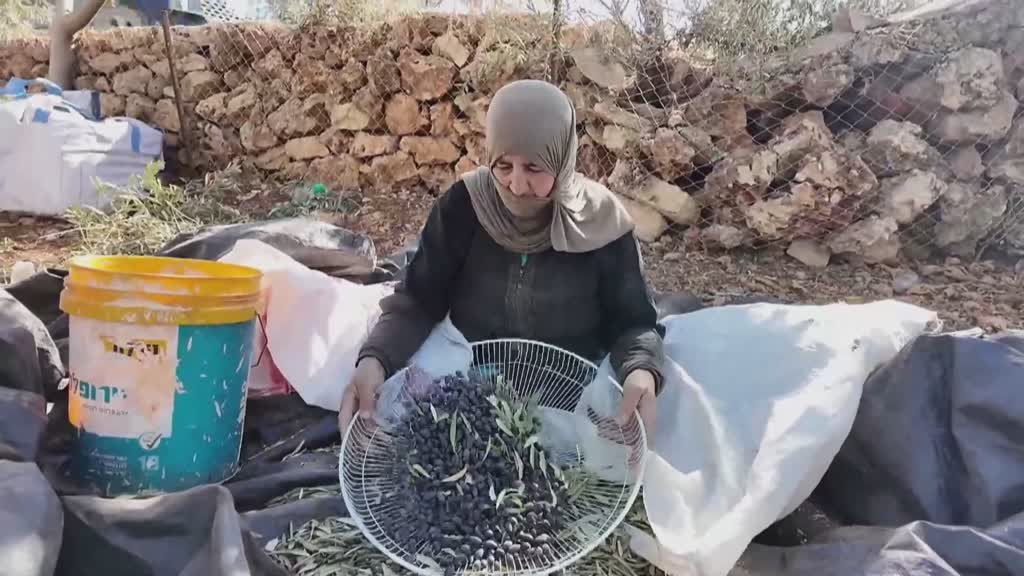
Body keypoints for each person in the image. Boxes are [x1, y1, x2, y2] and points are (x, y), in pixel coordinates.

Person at [338, 79, 666, 437]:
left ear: (562, 160)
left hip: (571, 384)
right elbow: (418, 298)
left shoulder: (601, 224)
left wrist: (640, 372)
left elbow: (634, 323)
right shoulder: (464, 207)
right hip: (468, 373)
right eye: (504, 165)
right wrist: (375, 359)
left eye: (534, 168)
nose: (517, 185)